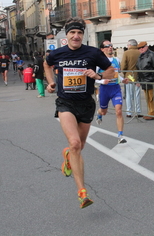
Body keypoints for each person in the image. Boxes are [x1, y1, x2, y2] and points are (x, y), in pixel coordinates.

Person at [44, 17, 114, 209]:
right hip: (65, 103)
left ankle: (68, 155)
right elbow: (46, 64)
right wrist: (50, 82)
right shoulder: (57, 54)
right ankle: (82, 192)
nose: (76, 36)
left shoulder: (93, 53)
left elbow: (111, 71)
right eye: (72, 33)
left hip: (86, 104)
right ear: (66, 36)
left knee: (79, 146)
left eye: (79, 33)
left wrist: (98, 75)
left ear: (83, 35)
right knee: (75, 143)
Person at [95, 40, 129, 144]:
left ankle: (120, 135)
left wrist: (122, 79)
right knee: (104, 111)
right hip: (105, 89)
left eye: (111, 45)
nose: (110, 47)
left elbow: (116, 74)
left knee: (118, 111)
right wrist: (102, 80)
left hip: (115, 88)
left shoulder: (116, 60)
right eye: (107, 46)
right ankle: (99, 113)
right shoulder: (98, 62)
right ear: (102, 49)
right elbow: (93, 77)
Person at [136, 41, 154, 120]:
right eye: (139, 48)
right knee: (147, 98)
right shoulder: (140, 56)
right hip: (144, 79)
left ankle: (152, 113)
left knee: (151, 97)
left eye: (142, 47)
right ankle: (150, 112)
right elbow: (138, 68)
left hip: (151, 79)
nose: (141, 49)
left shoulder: (151, 54)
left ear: (147, 47)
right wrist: (139, 80)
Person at [120, 39, 143, 118]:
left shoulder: (126, 53)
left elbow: (123, 66)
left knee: (129, 95)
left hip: (129, 76)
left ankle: (129, 112)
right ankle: (138, 111)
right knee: (137, 94)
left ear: (130, 45)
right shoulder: (140, 52)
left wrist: (124, 72)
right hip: (138, 76)